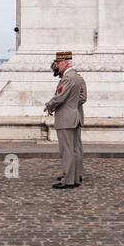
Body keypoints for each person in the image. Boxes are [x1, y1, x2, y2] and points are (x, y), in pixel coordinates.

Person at [44, 51, 86, 189]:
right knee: (75, 148)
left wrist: (49, 105)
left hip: (66, 118)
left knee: (67, 150)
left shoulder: (67, 78)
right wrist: (73, 106)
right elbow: (82, 98)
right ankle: (76, 176)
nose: (57, 66)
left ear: (65, 63)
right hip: (76, 116)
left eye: (58, 63)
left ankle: (68, 180)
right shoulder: (79, 78)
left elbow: (60, 97)